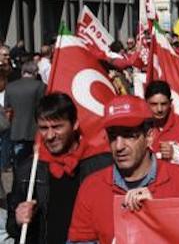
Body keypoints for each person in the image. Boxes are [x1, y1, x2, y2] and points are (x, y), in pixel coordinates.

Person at [67, 95, 179, 243]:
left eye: (128, 135)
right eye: (113, 136)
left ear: (149, 136)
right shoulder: (92, 187)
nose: (119, 147)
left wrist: (158, 213)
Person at [6, 93, 111, 243]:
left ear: (74, 124)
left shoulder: (101, 164)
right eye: (43, 128)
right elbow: (12, 226)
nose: (49, 136)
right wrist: (18, 220)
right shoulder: (29, 168)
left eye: (57, 127)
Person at [5, 61, 46, 167]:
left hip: (16, 130)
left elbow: (7, 107)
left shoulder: (10, 86)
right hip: (35, 129)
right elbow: (44, 107)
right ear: (35, 72)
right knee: (35, 163)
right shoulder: (40, 86)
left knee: (19, 163)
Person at [144, 81, 179, 160]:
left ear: (170, 103)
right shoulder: (138, 125)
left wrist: (175, 154)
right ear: (145, 103)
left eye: (164, 104)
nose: (159, 109)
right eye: (154, 104)